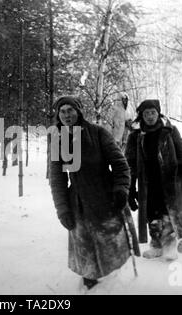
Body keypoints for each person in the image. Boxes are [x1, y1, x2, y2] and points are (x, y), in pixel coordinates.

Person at [49, 96, 132, 291]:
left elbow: (120, 165)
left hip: (106, 195)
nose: (67, 115)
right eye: (62, 111)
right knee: (84, 244)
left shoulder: (98, 133)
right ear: (58, 115)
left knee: (109, 240)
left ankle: (113, 276)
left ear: (79, 111)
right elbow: (57, 179)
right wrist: (62, 209)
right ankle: (90, 279)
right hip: (78, 201)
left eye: (71, 110)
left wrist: (121, 189)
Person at [125, 99, 182, 260]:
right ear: (141, 116)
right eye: (146, 113)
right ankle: (156, 245)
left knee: (167, 214)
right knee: (152, 215)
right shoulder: (135, 136)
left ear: (159, 113)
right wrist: (130, 189)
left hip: (169, 182)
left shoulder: (170, 132)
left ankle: (170, 246)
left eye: (153, 112)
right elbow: (129, 164)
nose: (150, 116)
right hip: (147, 184)